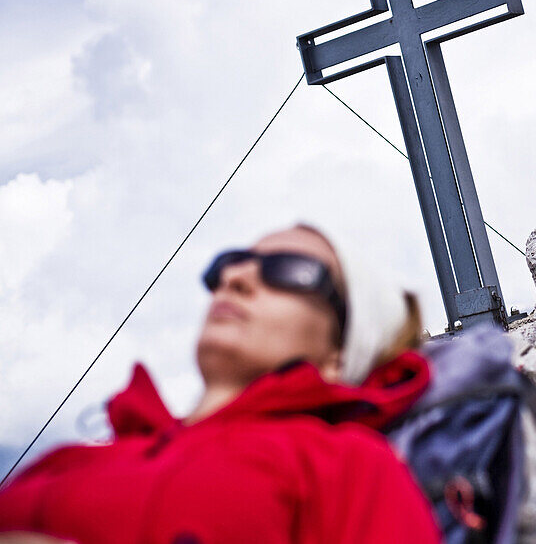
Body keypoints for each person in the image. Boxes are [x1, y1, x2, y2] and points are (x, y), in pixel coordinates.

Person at [0, 224, 441, 544]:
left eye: (288, 270)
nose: (235, 279)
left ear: (339, 353)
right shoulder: (66, 461)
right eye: (228, 265)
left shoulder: (348, 466)